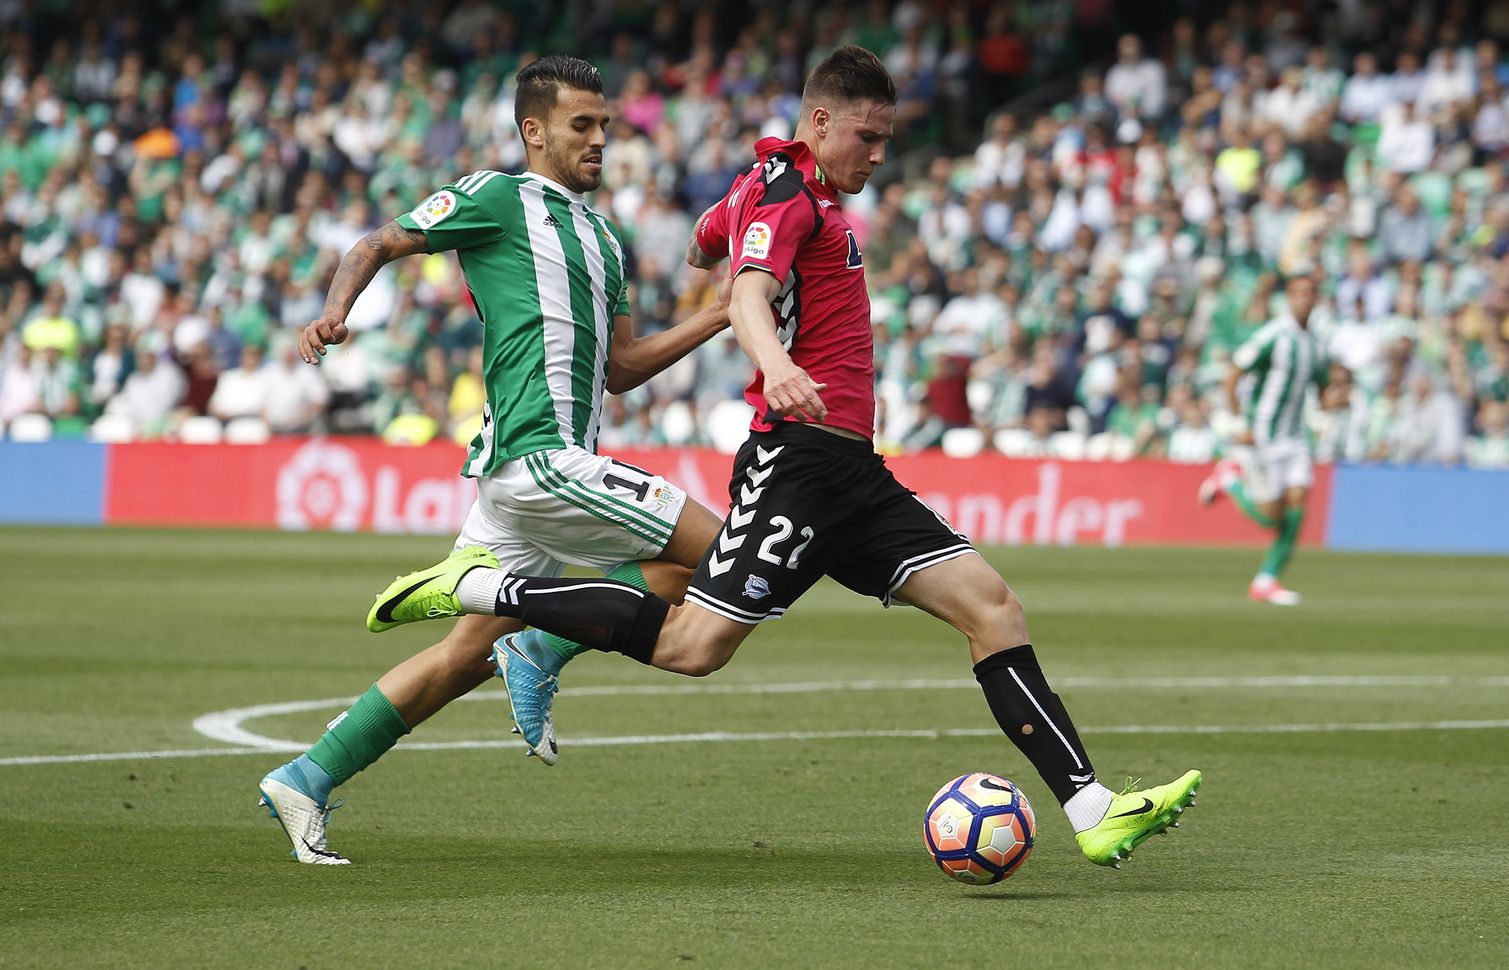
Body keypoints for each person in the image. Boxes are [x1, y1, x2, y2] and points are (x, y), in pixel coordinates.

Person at [370, 47, 1201, 871]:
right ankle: (487, 589)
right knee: (694, 647)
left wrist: (718, 227)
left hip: (856, 478)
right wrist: (776, 363)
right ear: (821, 121)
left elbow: (708, 248)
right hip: (795, 464)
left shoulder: (773, 192)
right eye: (866, 137)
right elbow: (746, 291)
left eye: (886, 139)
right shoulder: (786, 191)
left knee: (994, 609)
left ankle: (1093, 810)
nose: (877, 155)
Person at [258, 55, 732, 864]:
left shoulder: (607, 242)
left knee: (461, 658)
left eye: (604, 126)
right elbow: (377, 242)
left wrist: (724, 313)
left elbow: (621, 367)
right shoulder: (497, 197)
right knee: (727, 555)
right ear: (534, 131)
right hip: (538, 460)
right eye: (581, 126)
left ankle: (307, 775)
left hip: (551, 469)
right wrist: (335, 315)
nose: (598, 140)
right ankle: (536, 636)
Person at [1198, 274, 1328, 605]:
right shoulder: (1273, 335)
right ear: (1289, 299)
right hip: (1263, 437)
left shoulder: (1314, 344)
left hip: (1295, 438)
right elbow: (1233, 375)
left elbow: (1322, 387)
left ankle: (1266, 581)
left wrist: (1328, 409)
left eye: (1309, 293)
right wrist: (1238, 421)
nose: (1303, 299)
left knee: (1298, 511)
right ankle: (1230, 481)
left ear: (1315, 299)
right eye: (1297, 293)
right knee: (1272, 517)